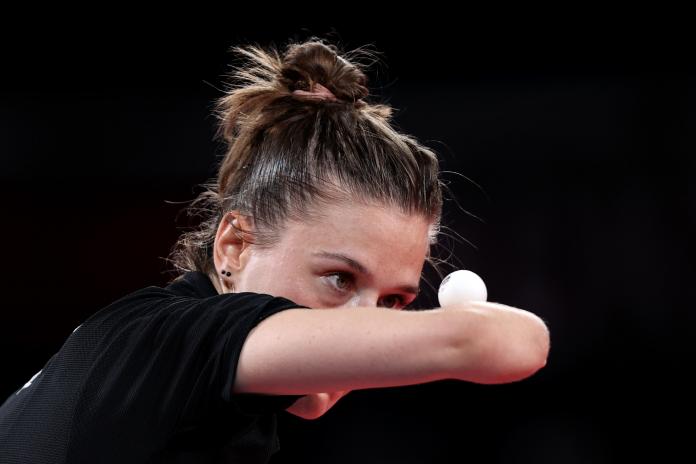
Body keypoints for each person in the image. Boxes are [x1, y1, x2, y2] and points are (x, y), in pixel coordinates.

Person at [0, 37, 550, 463]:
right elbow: (505, 343)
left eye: (392, 302)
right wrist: (474, 329)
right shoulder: (183, 338)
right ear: (235, 246)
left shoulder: (192, 396)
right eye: (339, 279)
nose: (365, 325)